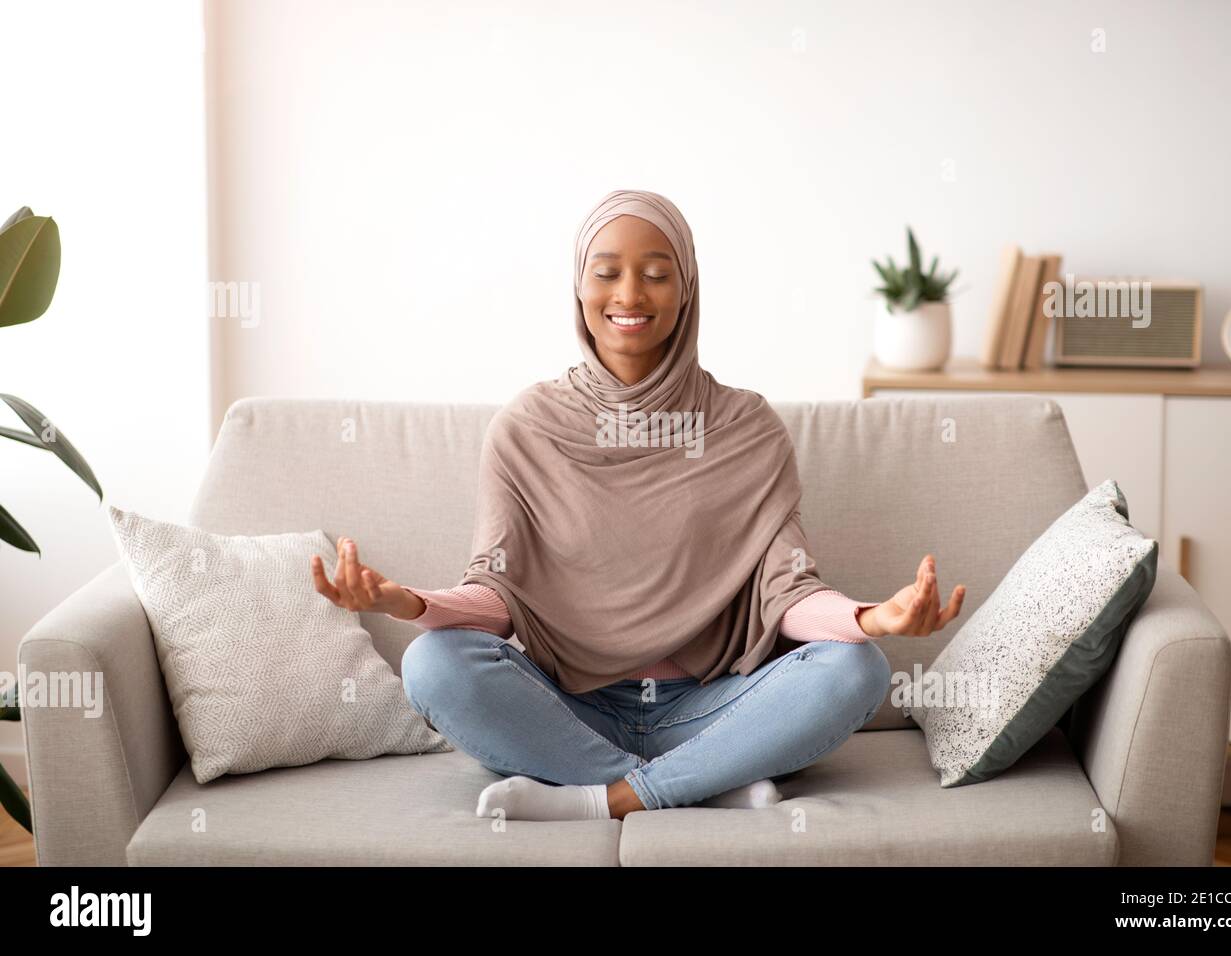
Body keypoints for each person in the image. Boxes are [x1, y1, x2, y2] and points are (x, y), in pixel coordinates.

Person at [311, 189, 964, 821]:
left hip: (712, 708)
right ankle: (705, 784)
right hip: (567, 711)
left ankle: (614, 797)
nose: (629, 295)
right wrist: (409, 604)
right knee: (433, 662)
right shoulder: (528, 428)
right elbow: (499, 592)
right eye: (607, 273)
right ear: (579, 286)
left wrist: (872, 618)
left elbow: (787, 593)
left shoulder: (745, 427)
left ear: (687, 292)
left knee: (856, 669)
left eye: (656, 274)